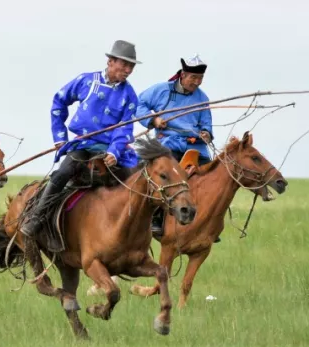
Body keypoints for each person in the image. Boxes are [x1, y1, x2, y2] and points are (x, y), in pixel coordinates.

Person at [18, 40, 141, 249]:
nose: (128, 70)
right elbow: (59, 101)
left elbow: (125, 128)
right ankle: (37, 219)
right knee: (61, 175)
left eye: (132, 66)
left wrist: (114, 151)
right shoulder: (86, 80)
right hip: (82, 146)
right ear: (110, 61)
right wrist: (59, 137)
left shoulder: (130, 95)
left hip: (111, 150)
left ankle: (137, 235)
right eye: (124, 64)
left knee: (136, 183)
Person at [137, 55, 215, 236]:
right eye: (193, 78)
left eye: (200, 79)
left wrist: (206, 134)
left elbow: (207, 125)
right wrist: (153, 119)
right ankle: (155, 219)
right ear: (183, 75)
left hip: (194, 146)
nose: (197, 82)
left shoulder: (203, 98)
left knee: (211, 176)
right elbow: (138, 104)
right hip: (168, 143)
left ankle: (208, 221)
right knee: (161, 175)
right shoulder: (162, 90)